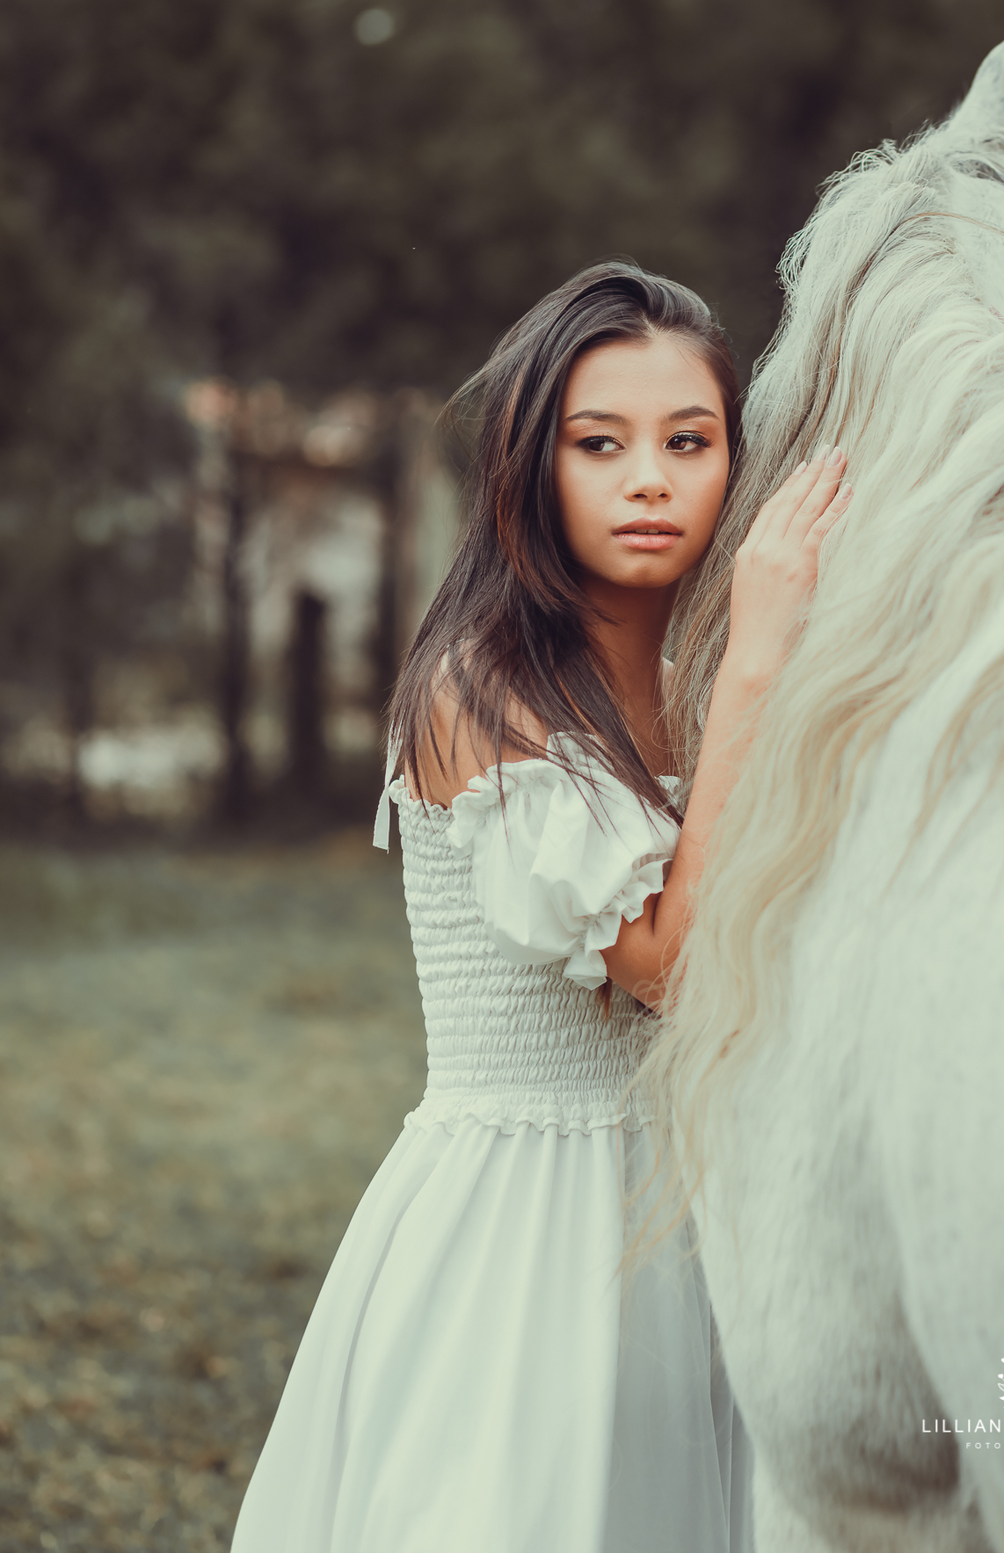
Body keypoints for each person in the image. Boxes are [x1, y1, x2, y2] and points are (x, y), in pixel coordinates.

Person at [230, 262, 851, 1553]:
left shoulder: (713, 673)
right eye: (600, 442)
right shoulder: (484, 693)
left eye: (690, 441)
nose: (649, 479)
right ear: (532, 462)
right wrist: (761, 659)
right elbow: (669, 960)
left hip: (707, 1221)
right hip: (525, 1240)